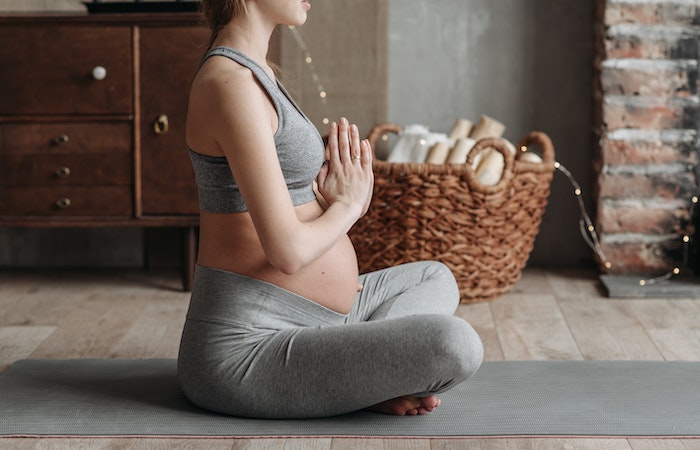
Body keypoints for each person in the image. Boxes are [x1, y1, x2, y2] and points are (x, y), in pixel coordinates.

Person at [177, 0, 484, 419]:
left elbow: (273, 203)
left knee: (436, 277)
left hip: (322, 320)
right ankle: (365, 374)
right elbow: (286, 251)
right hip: (248, 348)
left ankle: (359, 370)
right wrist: (349, 205)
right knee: (455, 344)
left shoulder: (257, 72)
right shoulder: (229, 84)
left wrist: (323, 196)